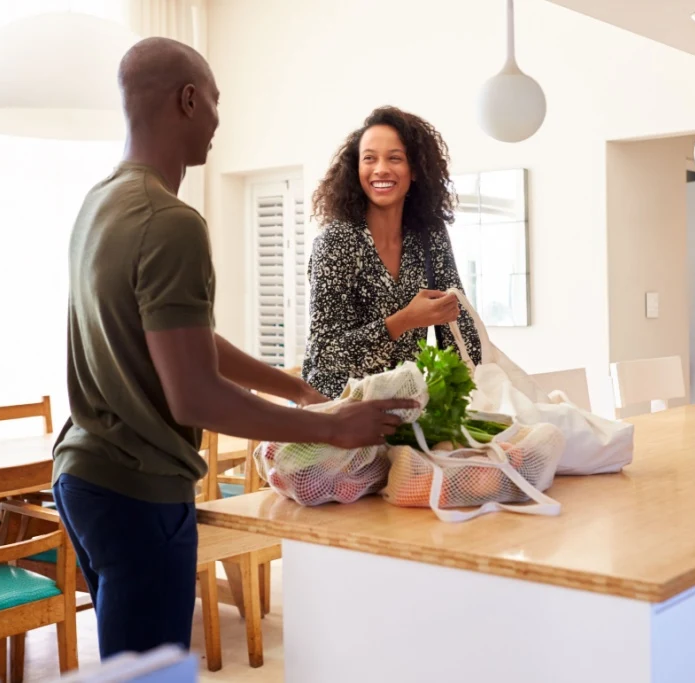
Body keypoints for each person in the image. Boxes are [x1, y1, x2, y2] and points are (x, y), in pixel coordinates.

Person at [51, 38, 414, 659]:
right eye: (216, 102)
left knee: (128, 668)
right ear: (189, 100)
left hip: (83, 476)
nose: (219, 120)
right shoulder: (172, 223)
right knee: (148, 676)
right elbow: (193, 396)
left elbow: (182, 340)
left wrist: (292, 384)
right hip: (139, 488)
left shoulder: (101, 203)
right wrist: (332, 428)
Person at [303, 106, 482, 399]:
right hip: (337, 411)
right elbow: (326, 355)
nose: (381, 169)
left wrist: (478, 386)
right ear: (356, 169)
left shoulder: (430, 234)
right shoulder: (336, 242)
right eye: (369, 158)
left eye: (395, 158)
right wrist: (405, 320)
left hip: (402, 407)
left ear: (415, 171)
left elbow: (458, 321)